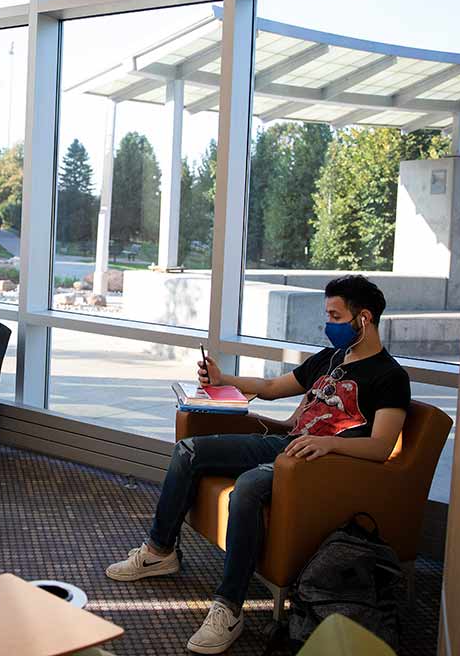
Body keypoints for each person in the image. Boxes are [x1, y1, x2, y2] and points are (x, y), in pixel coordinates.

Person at [105, 275, 411, 654]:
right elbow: (271, 387)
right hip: (285, 445)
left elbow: (382, 446)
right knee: (189, 451)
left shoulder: (390, 376)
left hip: (317, 466)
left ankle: (229, 607)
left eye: (335, 315)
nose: (328, 324)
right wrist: (222, 379)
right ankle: (159, 551)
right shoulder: (330, 359)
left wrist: (327, 443)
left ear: (363, 319)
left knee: (249, 485)